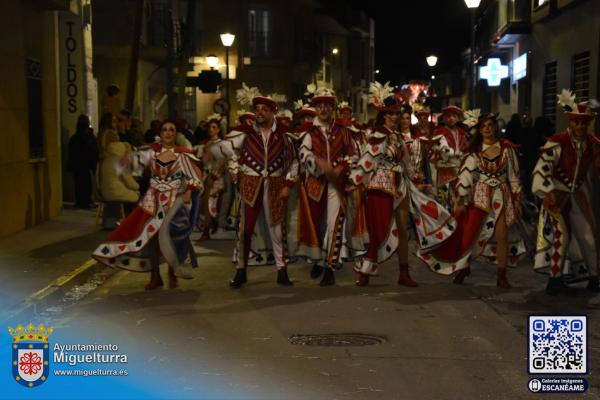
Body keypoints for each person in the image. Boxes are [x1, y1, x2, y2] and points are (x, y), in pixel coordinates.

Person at [92, 120, 203, 290]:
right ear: (161, 132)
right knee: (150, 238)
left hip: (174, 201)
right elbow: (127, 164)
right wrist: (126, 161)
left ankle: (173, 273)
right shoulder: (151, 152)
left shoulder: (183, 154)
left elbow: (195, 177)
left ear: (175, 133)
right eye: (165, 129)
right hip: (153, 199)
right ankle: (155, 276)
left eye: (171, 130)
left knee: (174, 236)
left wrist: (188, 190)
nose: (168, 133)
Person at [418, 112, 525, 288]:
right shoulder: (474, 152)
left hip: (502, 195)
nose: (487, 129)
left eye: (490, 125)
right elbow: (466, 176)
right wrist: (461, 196)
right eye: (483, 126)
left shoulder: (507, 149)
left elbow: (513, 177)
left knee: (502, 236)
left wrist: (517, 199)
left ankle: (501, 275)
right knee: (470, 236)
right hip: (480, 197)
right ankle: (463, 267)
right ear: (479, 130)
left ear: (495, 127)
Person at [214, 93, 299, 288]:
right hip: (250, 183)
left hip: (276, 184)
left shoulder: (284, 135)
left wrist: (288, 185)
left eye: (264, 110)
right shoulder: (244, 133)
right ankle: (241, 271)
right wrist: (235, 169)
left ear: (272, 113)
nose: (259, 113)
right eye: (257, 109)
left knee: (277, 229)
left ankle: (282, 271)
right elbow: (225, 150)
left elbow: (294, 161)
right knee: (245, 230)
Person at [532, 90, 600, 295]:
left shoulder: (593, 145)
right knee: (563, 236)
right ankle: (554, 279)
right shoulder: (557, 142)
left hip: (579, 196)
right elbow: (541, 169)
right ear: (570, 122)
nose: (580, 126)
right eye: (576, 122)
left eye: (583, 123)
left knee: (588, 235)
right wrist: (546, 192)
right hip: (558, 196)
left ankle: (594, 277)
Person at [296, 82, 360, 286]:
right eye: (319, 105)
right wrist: (319, 164)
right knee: (319, 226)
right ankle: (319, 260)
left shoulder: (344, 130)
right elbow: (303, 154)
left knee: (334, 226)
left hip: (337, 185)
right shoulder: (308, 132)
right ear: (316, 109)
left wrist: (342, 167)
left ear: (333, 108)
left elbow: (354, 154)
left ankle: (330, 267)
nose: (323, 109)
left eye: (327, 105)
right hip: (315, 185)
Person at [195, 114, 226, 241]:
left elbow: (224, 163)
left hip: (215, 177)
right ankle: (209, 225)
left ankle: (206, 230)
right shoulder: (206, 144)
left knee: (209, 203)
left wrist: (215, 175)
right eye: (209, 127)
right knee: (203, 203)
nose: (211, 130)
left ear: (218, 129)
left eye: (214, 127)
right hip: (205, 175)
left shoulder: (222, 144)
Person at [98, 141, 140, 229]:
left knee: (127, 193)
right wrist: (137, 186)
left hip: (104, 190)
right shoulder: (119, 161)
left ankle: (110, 222)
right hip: (115, 191)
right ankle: (131, 222)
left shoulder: (106, 160)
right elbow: (129, 181)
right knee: (135, 196)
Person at [67, 114, 99, 209]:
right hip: (84, 164)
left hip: (78, 165)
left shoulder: (75, 137)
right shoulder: (86, 137)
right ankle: (85, 201)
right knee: (85, 184)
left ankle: (81, 201)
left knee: (79, 184)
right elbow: (91, 150)